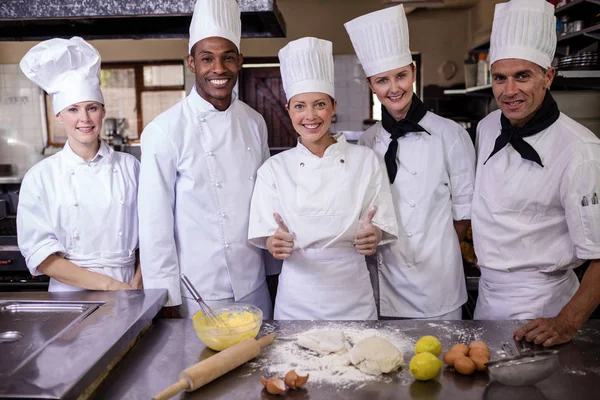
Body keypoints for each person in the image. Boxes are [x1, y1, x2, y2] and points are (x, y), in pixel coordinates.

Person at [472, 0, 600, 346]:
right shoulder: (486, 128)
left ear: (548, 76)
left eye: (522, 76)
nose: (509, 91)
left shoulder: (579, 150)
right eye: (500, 78)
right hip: (487, 301)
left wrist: (565, 323)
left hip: (545, 310)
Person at [138, 0, 273, 319]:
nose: (219, 69)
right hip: (198, 292)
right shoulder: (164, 130)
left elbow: (268, 202)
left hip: (255, 284)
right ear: (191, 62)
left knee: (262, 368)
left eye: (228, 58)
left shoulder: (254, 122)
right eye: (207, 58)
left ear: (240, 61)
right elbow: (155, 224)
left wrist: (273, 272)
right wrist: (164, 299)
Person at [248, 37, 398, 320]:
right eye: (300, 106)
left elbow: (381, 224)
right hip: (296, 299)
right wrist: (273, 244)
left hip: (353, 295)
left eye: (319, 104)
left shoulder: (366, 161)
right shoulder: (273, 169)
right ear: (288, 109)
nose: (310, 116)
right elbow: (267, 234)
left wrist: (374, 236)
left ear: (333, 106)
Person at [344, 5, 476, 320]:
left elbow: (464, 216)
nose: (394, 88)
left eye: (401, 75)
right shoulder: (366, 142)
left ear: (413, 72)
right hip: (385, 286)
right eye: (382, 81)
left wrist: (434, 252)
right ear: (371, 85)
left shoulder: (451, 135)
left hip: (438, 285)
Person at [17, 37, 141, 292]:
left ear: (103, 112)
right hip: (69, 295)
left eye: (92, 108)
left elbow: (155, 232)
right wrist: (110, 286)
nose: (84, 118)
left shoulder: (130, 167)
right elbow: (41, 255)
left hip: (131, 289)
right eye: (73, 109)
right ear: (59, 116)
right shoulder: (41, 176)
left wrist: (136, 286)